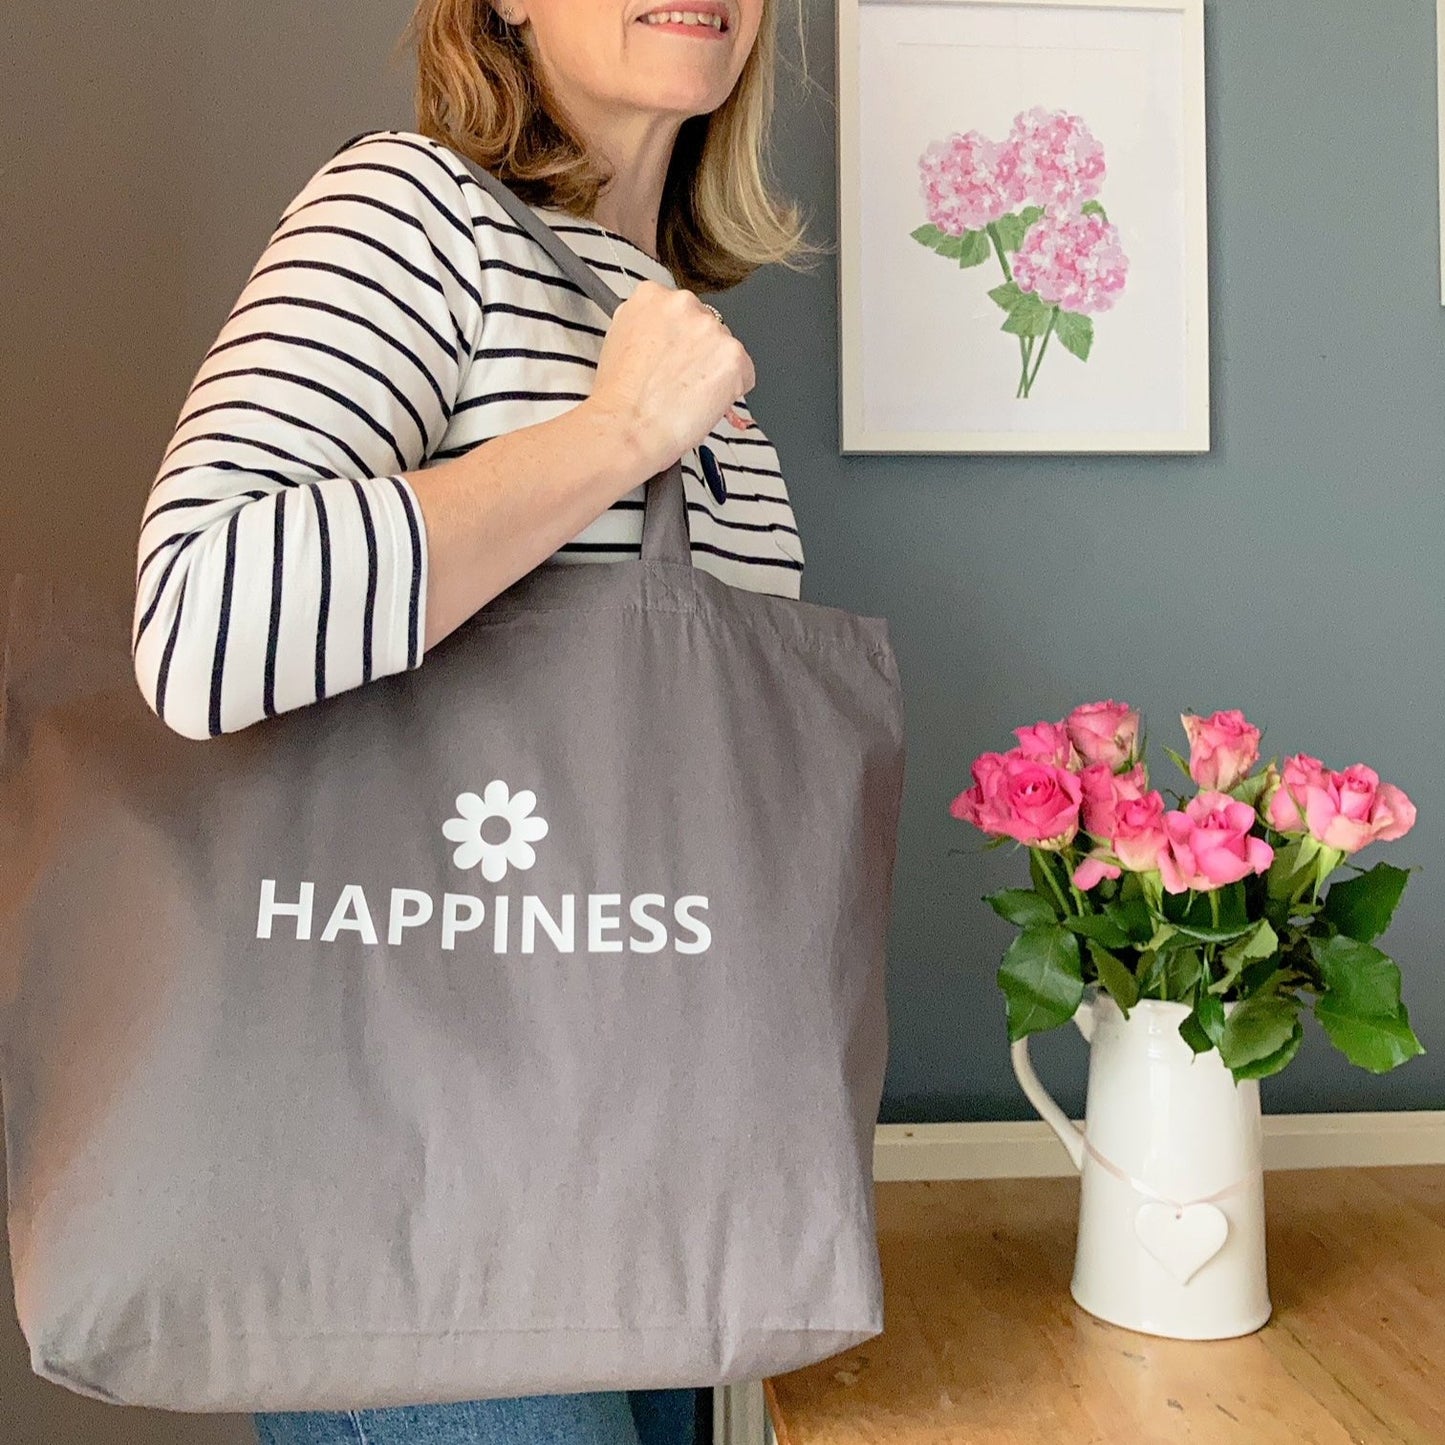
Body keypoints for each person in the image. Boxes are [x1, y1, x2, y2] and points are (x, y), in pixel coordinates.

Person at [131, 0, 820, 1440]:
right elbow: (196, 624)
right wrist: (612, 437)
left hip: (651, 1171)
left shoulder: (678, 331)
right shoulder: (413, 212)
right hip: (429, 1191)